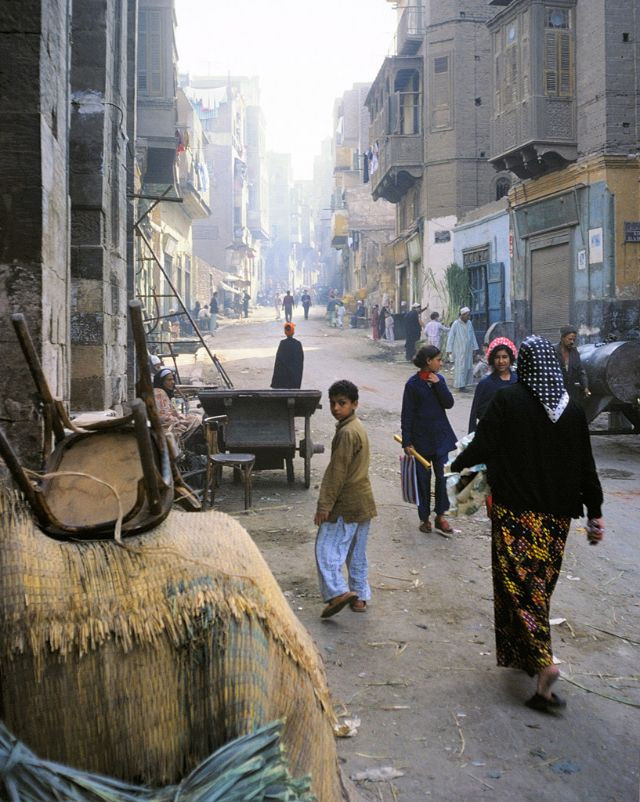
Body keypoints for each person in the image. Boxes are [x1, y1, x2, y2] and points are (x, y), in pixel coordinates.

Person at [451, 335, 604, 713]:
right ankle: (524, 656)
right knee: (539, 586)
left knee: (519, 588)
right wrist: (595, 512)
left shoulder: (509, 400)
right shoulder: (573, 413)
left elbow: (483, 445)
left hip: (516, 514)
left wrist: (456, 466)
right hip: (557, 520)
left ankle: (543, 664)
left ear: (526, 364)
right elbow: (587, 467)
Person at [314, 380, 376, 618]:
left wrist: (324, 505)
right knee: (356, 552)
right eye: (332, 403)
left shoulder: (348, 432)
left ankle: (337, 592)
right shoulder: (355, 426)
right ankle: (359, 597)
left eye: (342, 403)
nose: (336, 408)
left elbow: (337, 472)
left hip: (347, 503)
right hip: (363, 501)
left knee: (326, 549)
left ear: (354, 404)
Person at [401, 345, 456, 536]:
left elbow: (449, 403)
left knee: (443, 477)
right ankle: (424, 519)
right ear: (428, 361)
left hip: (440, 439)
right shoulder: (412, 385)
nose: (440, 363)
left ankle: (440, 516)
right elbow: (407, 415)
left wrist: (438, 384)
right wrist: (407, 441)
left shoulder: (439, 380)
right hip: (420, 442)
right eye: (438, 360)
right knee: (422, 481)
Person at [468, 338, 518, 433]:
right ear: (492, 359)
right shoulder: (485, 384)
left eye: (504, 357)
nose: (501, 361)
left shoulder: (518, 381)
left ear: (510, 358)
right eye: (497, 357)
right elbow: (476, 412)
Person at [153, 368, 202, 449]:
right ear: (161, 381)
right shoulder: (159, 392)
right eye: (169, 380)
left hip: (173, 421)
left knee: (195, 419)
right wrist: (179, 421)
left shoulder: (170, 394)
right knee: (196, 422)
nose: (172, 382)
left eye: (173, 379)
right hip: (166, 426)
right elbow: (163, 417)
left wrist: (182, 418)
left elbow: (175, 411)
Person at [554, 325, 590, 404]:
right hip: (556, 392)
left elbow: (581, 371)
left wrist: (585, 387)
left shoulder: (575, 352)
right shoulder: (553, 351)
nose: (572, 342)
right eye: (570, 339)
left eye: (574, 339)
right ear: (562, 338)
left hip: (572, 393)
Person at [447, 307, 479, 391]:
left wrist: (475, 348)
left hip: (468, 350)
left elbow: (472, 336)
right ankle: (460, 386)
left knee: (467, 367)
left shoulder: (469, 323)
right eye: (467, 315)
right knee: (460, 367)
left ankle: (464, 384)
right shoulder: (456, 324)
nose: (469, 317)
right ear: (462, 315)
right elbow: (451, 337)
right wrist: (449, 350)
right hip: (459, 350)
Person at [271, 322, 304, 389]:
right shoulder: (298, 344)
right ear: (293, 332)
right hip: (294, 377)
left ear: (285, 332)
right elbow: (300, 360)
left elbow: (278, 362)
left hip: (283, 379)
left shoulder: (282, 343)